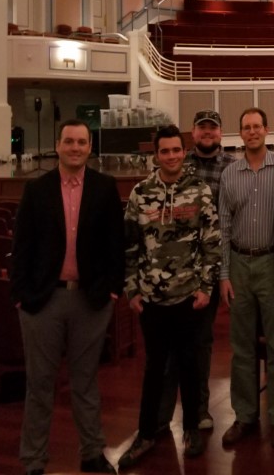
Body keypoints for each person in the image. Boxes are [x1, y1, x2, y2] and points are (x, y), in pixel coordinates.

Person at [11, 119, 124, 475]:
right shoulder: (37, 189)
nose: (75, 148)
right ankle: (33, 461)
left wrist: (111, 289)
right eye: (69, 141)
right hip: (43, 300)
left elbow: (115, 246)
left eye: (82, 142)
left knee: (85, 382)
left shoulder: (105, 188)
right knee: (40, 384)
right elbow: (22, 246)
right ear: (58, 145)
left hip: (90, 300)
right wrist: (21, 296)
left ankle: (92, 452)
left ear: (90, 147)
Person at [118, 125, 221, 467]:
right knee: (155, 369)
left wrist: (206, 288)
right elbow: (129, 246)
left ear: (184, 151)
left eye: (177, 150)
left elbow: (211, 244)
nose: (172, 156)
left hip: (190, 297)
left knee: (190, 366)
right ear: (157, 155)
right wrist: (132, 288)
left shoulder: (199, 191)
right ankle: (146, 432)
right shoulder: (140, 193)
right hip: (151, 299)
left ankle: (191, 428)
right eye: (166, 151)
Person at [218, 108, 274, 448]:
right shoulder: (230, 175)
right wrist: (224, 274)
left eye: (257, 126)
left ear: (267, 129)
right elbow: (223, 227)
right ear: (240, 133)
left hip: (271, 263)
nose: (251, 132)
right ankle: (245, 416)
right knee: (242, 348)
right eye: (245, 127)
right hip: (239, 264)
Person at [169, 109, 236, 431]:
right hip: (176, 268)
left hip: (211, 269)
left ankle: (200, 408)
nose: (207, 133)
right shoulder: (178, 166)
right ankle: (164, 413)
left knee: (202, 341)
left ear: (220, 133)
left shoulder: (232, 169)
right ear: (192, 134)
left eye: (212, 128)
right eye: (201, 128)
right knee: (171, 344)